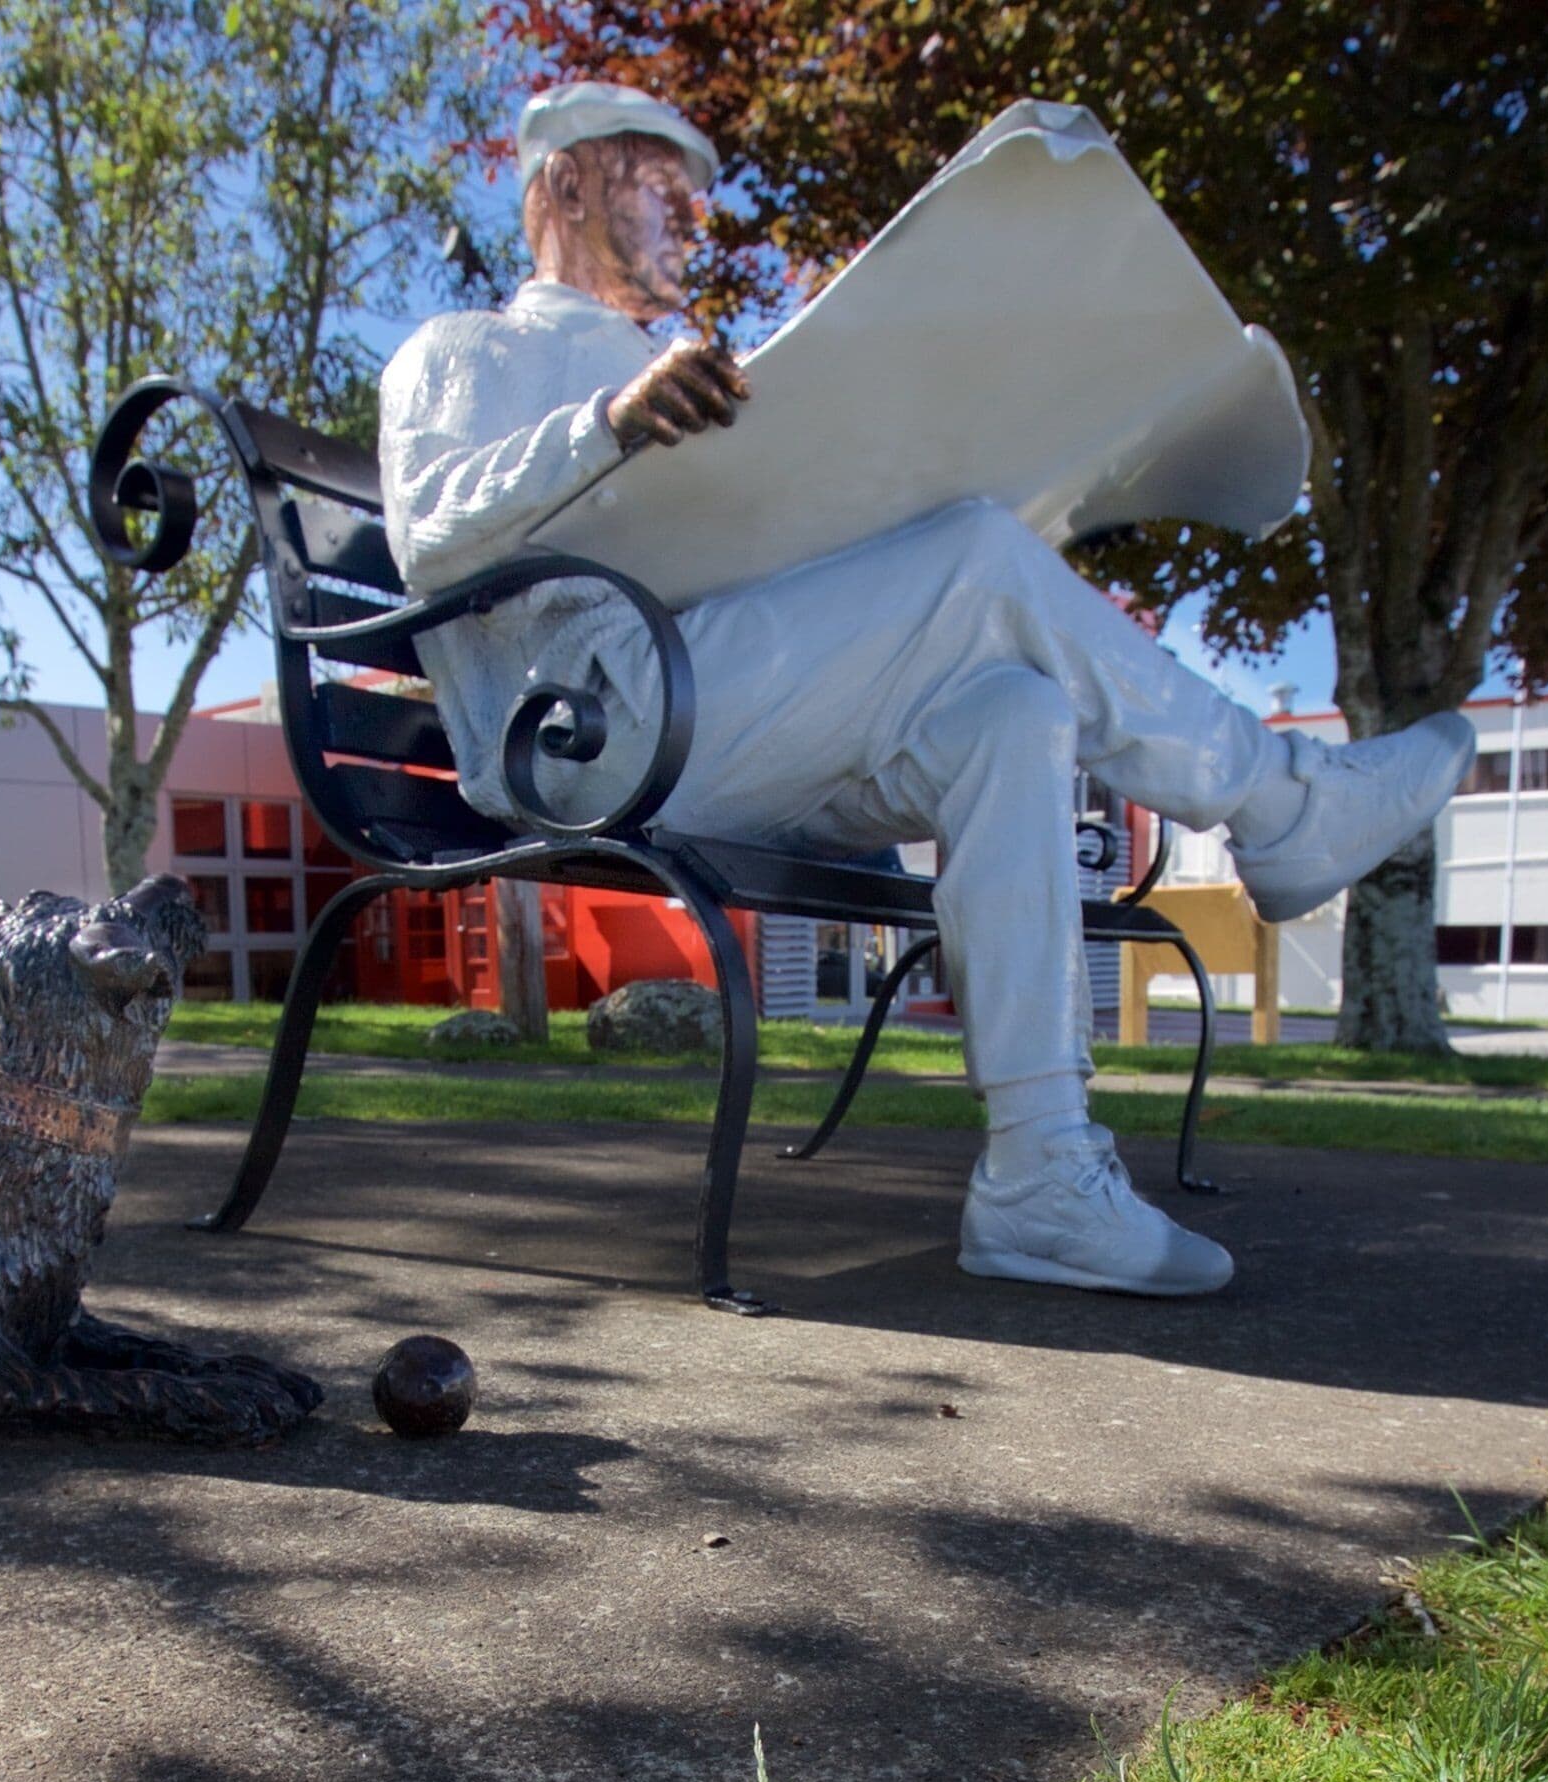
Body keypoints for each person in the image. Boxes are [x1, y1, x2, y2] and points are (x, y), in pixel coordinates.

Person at [378, 82, 1474, 1297]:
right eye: (660, 184)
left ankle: (1041, 1178)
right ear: (566, 182)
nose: (690, 218)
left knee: (1015, 716)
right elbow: (429, 535)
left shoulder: (676, 367)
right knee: (979, 559)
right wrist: (607, 425)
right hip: (588, 735)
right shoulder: (469, 349)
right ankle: (1281, 802)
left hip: (728, 729)